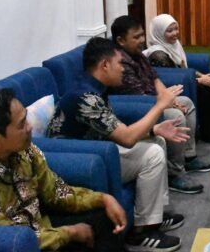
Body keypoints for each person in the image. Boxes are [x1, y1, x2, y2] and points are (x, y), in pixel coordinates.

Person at [0, 89, 127, 251]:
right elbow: (11, 241)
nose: (29, 127)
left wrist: (102, 198)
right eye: (21, 124)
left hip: (38, 227)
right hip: (16, 245)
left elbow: (55, 192)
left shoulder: (23, 150)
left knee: (102, 217)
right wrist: (70, 233)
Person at [47, 38, 189, 252]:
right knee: (152, 154)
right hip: (81, 162)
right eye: (120, 63)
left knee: (156, 140)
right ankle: (141, 233)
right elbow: (127, 138)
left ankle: (154, 217)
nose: (124, 68)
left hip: (98, 150)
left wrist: (154, 129)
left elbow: (115, 128)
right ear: (104, 65)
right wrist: (160, 105)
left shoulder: (95, 88)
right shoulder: (86, 97)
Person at [110, 15, 210, 195]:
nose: (142, 40)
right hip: (138, 105)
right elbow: (137, 95)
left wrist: (170, 99)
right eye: (136, 37)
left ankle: (188, 157)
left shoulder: (138, 55)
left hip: (152, 99)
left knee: (186, 103)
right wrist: (167, 105)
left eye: (142, 35)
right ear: (120, 40)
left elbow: (154, 78)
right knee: (176, 116)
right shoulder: (119, 62)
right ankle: (174, 173)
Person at [144, 14, 210, 143]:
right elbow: (173, 77)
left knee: (206, 86)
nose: (175, 33)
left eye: (176, 29)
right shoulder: (158, 55)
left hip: (182, 80)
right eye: (169, 31)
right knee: (204, 90)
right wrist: (199, 80)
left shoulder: (173, 44)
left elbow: (182, 67)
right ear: (159, 33)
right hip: (169, 88)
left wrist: (200, 75)